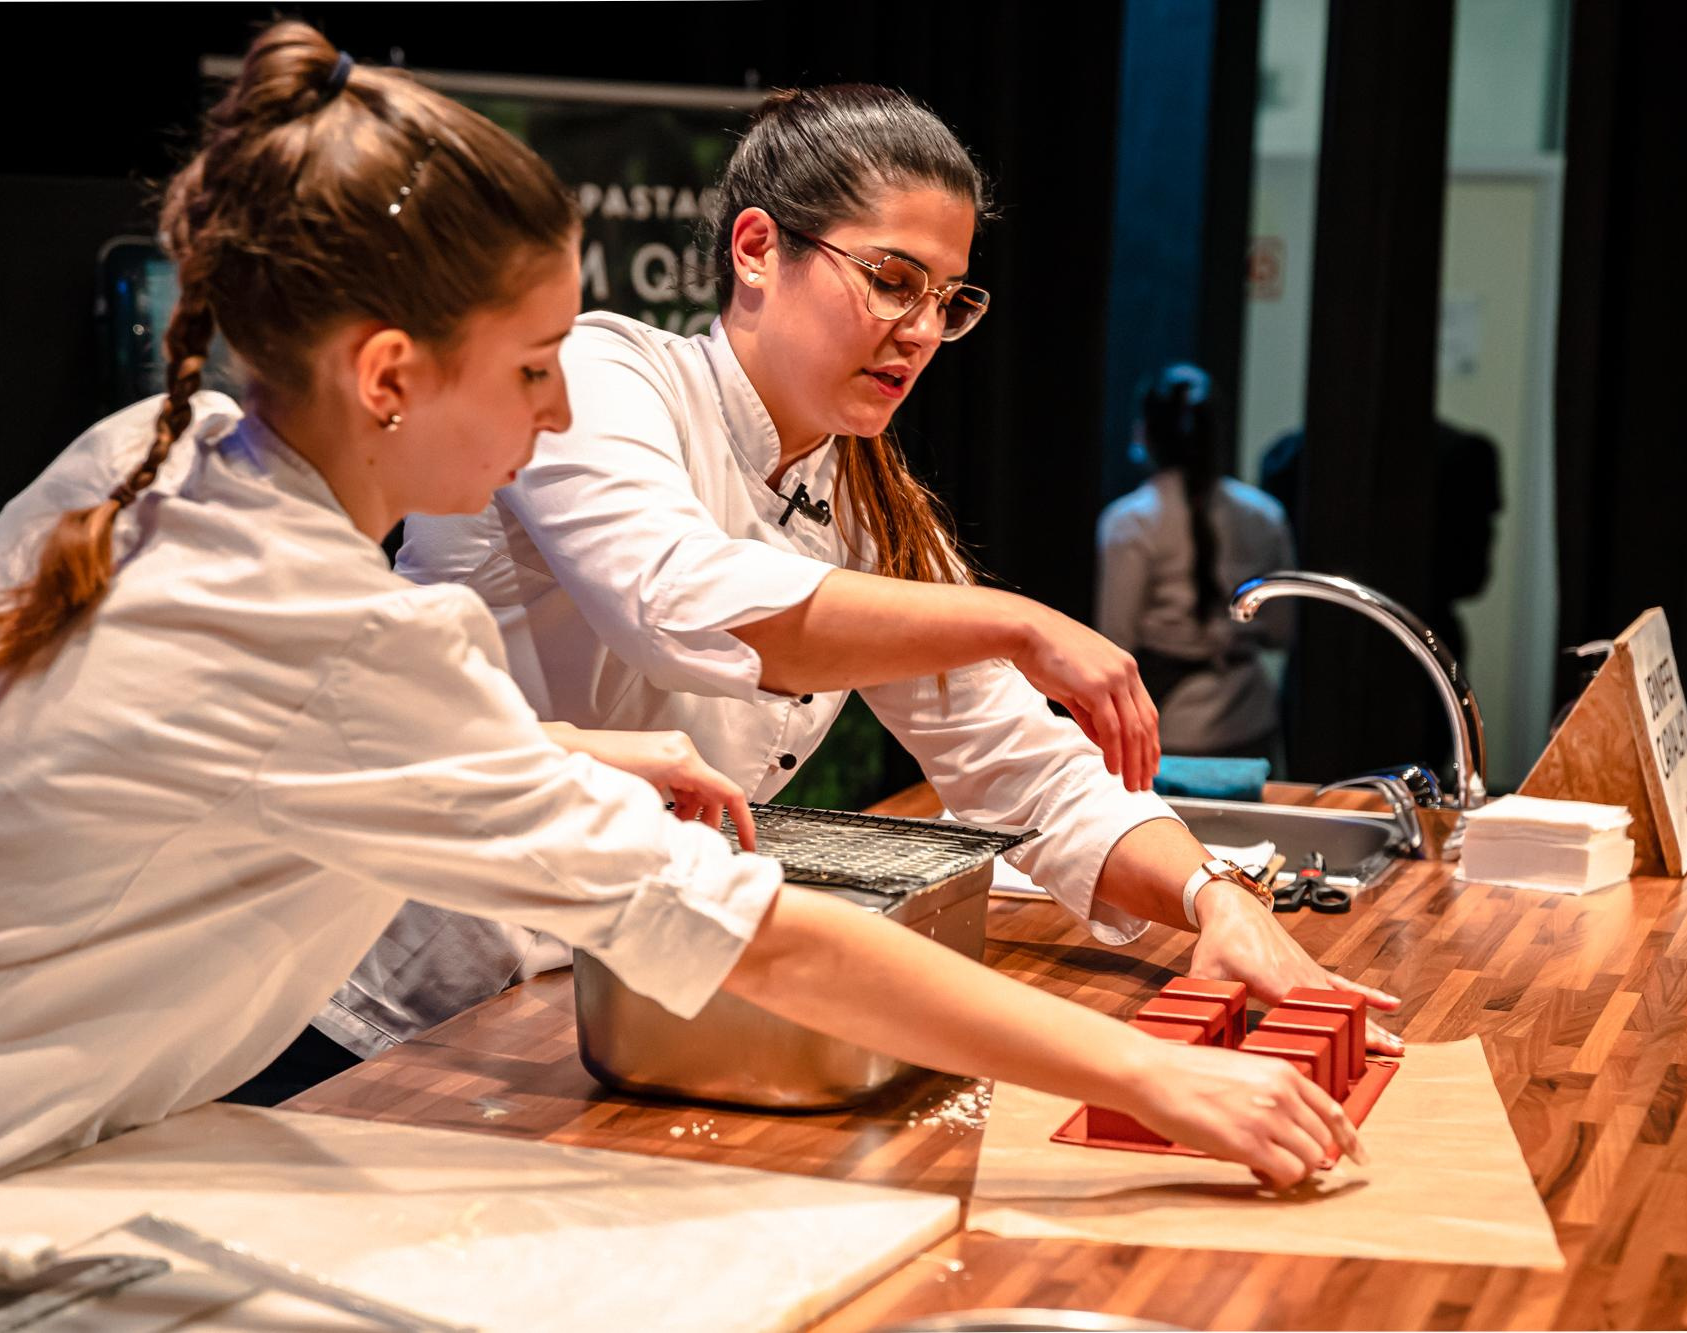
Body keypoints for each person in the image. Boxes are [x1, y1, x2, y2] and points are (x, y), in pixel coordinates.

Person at [0, 28, 1365, 1233]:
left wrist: (562, 744)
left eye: (945, 301)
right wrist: (1154, 1072)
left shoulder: (146, 458)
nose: (553, 411)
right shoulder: (373, 593)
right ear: (386, 374)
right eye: (532, 365)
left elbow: (199, 742)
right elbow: (741, 846)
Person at [332, 85, 1403, 1063]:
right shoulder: (605, 378)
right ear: (757, 248)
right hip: (402, 1003)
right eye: (892, 282)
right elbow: (677, 601)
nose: (923, 332)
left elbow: (1023, 765)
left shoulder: (871, 502)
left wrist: (1216, 897)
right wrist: (1014, 620)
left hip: (610, 997)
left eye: (949, 300)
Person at [1094, 365, 1296, 758]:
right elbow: (1283, 631)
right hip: (1250, 714)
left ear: (1146, 433)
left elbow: (1115, 640)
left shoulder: (1132, 519)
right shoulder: (1263, 513)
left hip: (1170, 722)